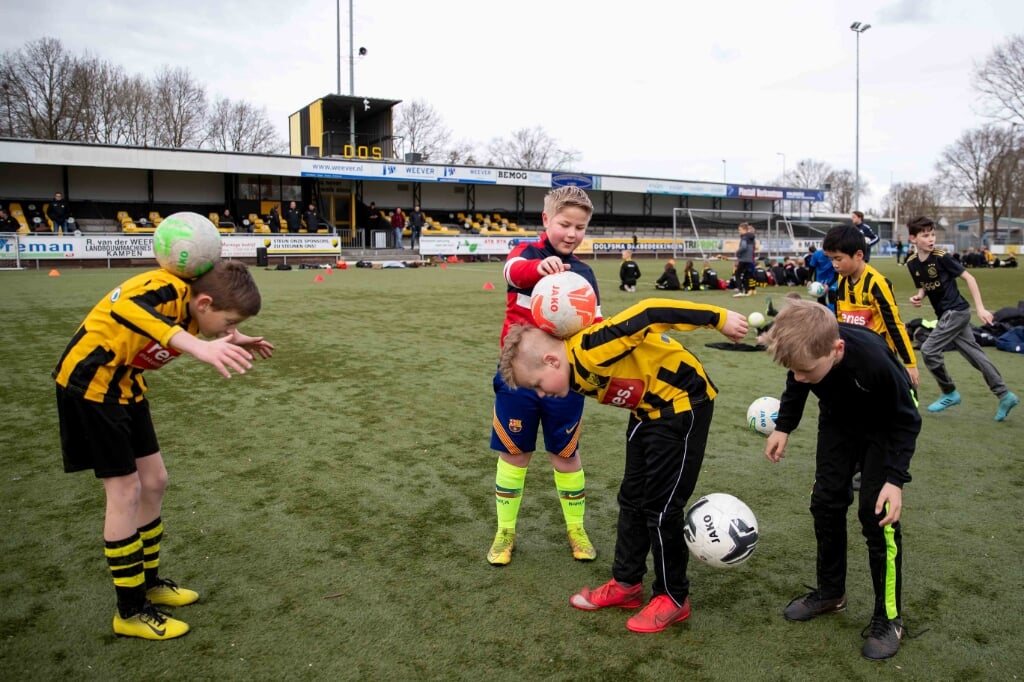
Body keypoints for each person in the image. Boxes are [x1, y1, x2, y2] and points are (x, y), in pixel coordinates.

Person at [53, 260, 274, 640]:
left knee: (154, 481)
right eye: (230, 323)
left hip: (125, 385)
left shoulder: (194, 307)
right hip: (90, 385)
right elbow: (124, 306)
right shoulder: (166, 287)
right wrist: (196, 348)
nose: (231, 331)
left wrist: (236, 338)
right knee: (125, 492)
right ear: (204, 303)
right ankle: (130, 610)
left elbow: (190, 324)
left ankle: (148, 582)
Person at [499, 298, 748, 633]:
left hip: (682, 405)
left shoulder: (589, 349)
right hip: (647, 411)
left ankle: (673, 597)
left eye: (538, 385)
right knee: (632, 499)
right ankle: (627, 583)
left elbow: (650, 312)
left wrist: (717, 318)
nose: (541, 395)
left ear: (552, 361)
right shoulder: (571, 372)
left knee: (661, 509)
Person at [762, 299, 920, 660]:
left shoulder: (874, 362)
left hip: (885, 430)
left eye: (806, 370)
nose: (799, 376)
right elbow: (796, 382)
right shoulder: (807, 356)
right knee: (826, 503)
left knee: (876, 516)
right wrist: (783, 427)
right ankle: (831, 593)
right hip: (838, 422)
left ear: (837, 350)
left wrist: (895, 481)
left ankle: (889, 618)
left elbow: (907, 421)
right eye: (794, 369)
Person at [486, 186, 601, 567]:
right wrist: (540, 269)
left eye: (580, 227)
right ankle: (505, 530)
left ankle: (576, 528)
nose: (571, 233)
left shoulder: (584, 274)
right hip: (518, 378)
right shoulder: (527, 255)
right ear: (546, 220)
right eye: (565, 224)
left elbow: (593, 323)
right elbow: (512, 271)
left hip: (562, 382)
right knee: (514, 453)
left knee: (565, 455)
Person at [905, 216, 1019, 421]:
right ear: (913, 238)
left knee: (929, 350)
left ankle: (949, 392)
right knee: (976, 356)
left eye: (932, 234)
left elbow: (970, 278)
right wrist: (919, 296)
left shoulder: (942, 256)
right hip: (947, 315)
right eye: (925, 235)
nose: (931, 239)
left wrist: (981, 308)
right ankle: (1005, 395)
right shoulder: (912, 263)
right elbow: (924, 284)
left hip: (956, 312)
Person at [823, 224, 919, 388]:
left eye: (838, 259)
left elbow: (894, 324)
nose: (834, 265)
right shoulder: (841, 280)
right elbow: (840, 321)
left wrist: (910, 363)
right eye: (831, 259)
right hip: (854, 355)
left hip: (879, 357)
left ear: (859, 255)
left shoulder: (877, 283)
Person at [808, 245, 837, 311]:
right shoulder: (816, 254)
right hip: (820, 279)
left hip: (832, 278)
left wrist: (828, 285)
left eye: (827, 250)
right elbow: (811, 267)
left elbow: (837, 274)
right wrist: (809, 279)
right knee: (821, 300)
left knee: (832, 295)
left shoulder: (835, 256)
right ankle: (825, 315)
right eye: (824, 249)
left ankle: (834, 316)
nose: (825, 252)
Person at [733, 222, 756, 297]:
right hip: (749, 259)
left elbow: (743, 247)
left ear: (744, 229)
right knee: (746, 275)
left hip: (743, 259)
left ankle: (740, 290)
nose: (739, 231)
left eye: (739, 230)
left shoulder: (744, 237)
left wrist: (737, 253)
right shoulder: (751, 237)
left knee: (737, 274)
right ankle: (746, 290)